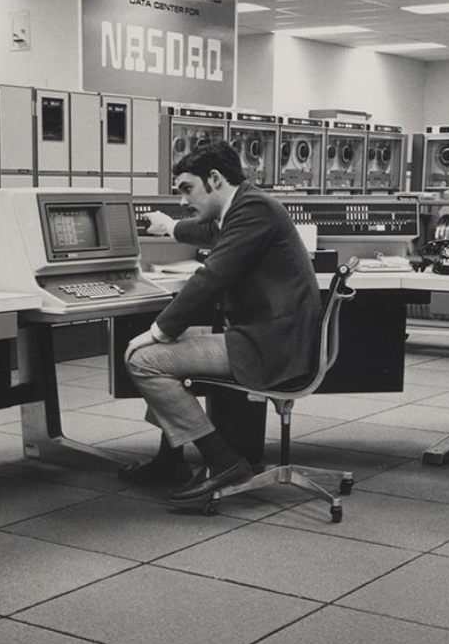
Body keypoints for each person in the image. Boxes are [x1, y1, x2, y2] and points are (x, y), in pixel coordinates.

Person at [122, 141, 321, 503]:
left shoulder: (254, 209)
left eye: (187, 189)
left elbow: (212, 276)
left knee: (145, 359)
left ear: (214, 179)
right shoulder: (245, 207)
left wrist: (157, 330)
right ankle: (170, 461)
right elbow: (208, 233)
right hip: (272, 336)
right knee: (174, 346)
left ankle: (223, 461)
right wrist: (170, 227)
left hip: (271, 347)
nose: (183, 200)